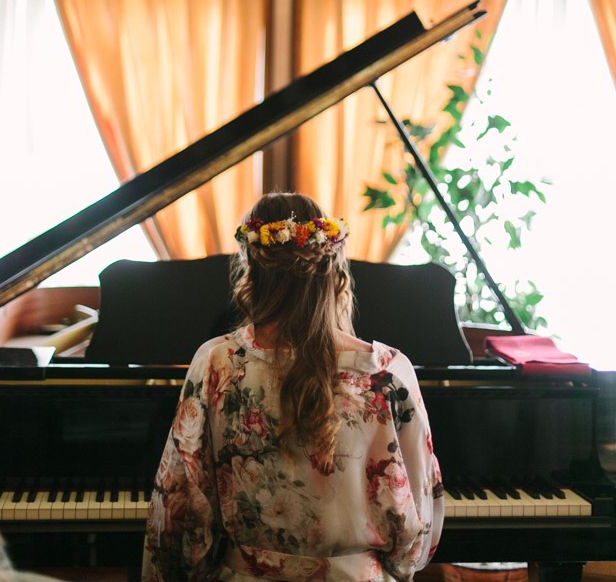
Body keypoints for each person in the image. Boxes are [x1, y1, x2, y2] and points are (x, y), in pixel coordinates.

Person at [142, 192, 444, 581]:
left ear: (250, 267)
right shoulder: (387, 372)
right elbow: (420, 515)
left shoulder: (216, 364)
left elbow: (179, 511)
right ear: (333, 268)